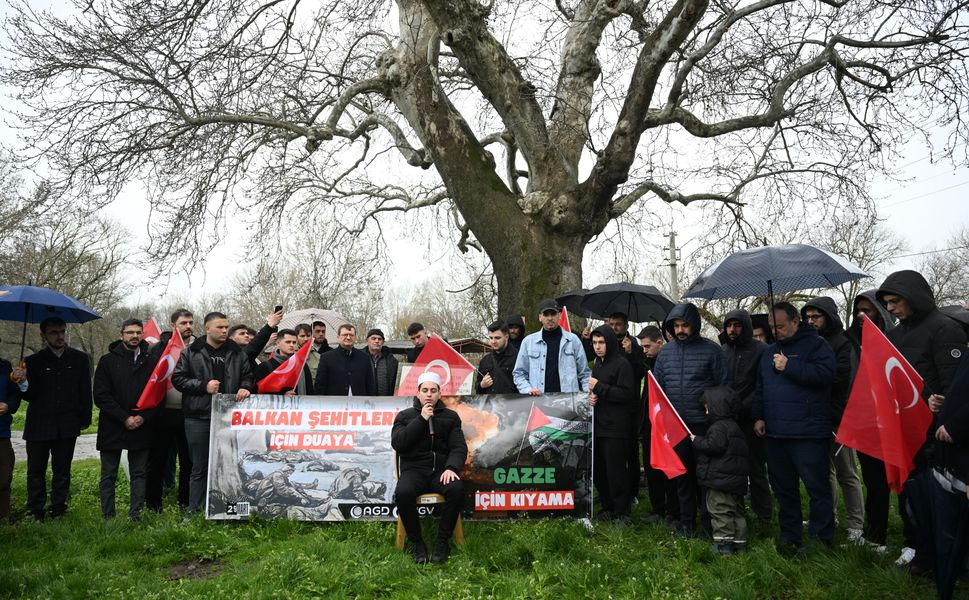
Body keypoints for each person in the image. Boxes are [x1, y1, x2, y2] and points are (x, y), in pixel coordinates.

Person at [876, 270, 967, 568]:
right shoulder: (894, 335)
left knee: (938, 496)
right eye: (886, 303)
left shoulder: (945, 329)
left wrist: (941, 404)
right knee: (909, 492)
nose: (889, 308)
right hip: (904, 427)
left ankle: (943, 552)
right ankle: (915, 545)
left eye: (894, 301)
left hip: (937, 433)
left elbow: (956, 385)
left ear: (913, 297)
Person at [753, 302, 836, 553]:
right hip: (776, 433)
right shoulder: (769, 352)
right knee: (783, 488)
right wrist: (759, 416)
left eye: (780, 326)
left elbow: (826, 375)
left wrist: (790, 366)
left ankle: (820, 539)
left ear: (795, 322)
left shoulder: (817, 345)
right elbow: (761, 387)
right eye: (771, 327)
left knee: (816, 488)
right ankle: (790, 535)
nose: (775, 331)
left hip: (808, 431)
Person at [652, 302, 728, 536]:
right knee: (682, 476)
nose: (680, 330)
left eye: (684, 325)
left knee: (705, 477)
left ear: (694, 325)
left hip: (704, 426)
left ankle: (708, 523)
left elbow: (723, 387)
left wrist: (711, 412)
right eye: (676, 325)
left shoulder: (713, 351)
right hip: (676, 426)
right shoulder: (665, 352)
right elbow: (659, 389)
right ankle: (686, 523)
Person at [173, 311, 254, 514]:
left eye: (226, 327)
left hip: (228, 417)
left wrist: (245, 387)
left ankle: (230, 509)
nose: (225, 330)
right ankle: (195, 511)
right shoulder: (191, 352)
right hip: (198, 416)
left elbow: (247, 376)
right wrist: (203, 386)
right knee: (199, 466)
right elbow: (178, 379)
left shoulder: (237, 353)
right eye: (220, 327)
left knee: (229, 464)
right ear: (207, 328)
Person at [801, 297, 864, 542]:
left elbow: (842, 378)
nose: (811, 321)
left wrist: (808, 375)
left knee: (847, 472)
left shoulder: (844, 342)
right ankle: (830, 515)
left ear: (828, 316)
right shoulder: (809, 343)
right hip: (815, 416)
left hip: (840, 417)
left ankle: (856, 524)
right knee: (824, 471)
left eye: (816, 316)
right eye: (807, 317)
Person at [20, 317, 93, 520]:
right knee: (36, 470)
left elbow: (85, 391)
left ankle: (58, 508)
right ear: (43, 335)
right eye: (54, 332)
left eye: (62, 331)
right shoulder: (32, 362)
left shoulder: (79, 359)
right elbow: (29, 395)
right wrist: (23, 382)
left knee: (62, 470)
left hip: (67, 423)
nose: (59, 336)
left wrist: (85, 417)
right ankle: (35, 509)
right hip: (39, 424)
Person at [391, 372, 467, 564]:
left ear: (439, 394)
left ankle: (442, 541)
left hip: (441, 472)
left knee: (456, 489)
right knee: (403, 492)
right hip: (414, 471)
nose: (429, 394)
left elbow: (458, 447)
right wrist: (422, 420)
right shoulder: (405, 416)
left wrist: (451, 468)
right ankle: (417, 542)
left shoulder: (451, 417)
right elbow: (399, 444)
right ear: (418, 393)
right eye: (424, 390)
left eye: (433, 390)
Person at [845, 289, 897, 550]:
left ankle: (913, 540)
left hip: (892, 422)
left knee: (899, 483)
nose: (861, 316)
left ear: (882, 313)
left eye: (869, 310)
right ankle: (874, 535)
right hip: (865, 422)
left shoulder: (895, 342)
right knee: (873, 481)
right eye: (858, 311)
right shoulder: (854, 342)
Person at [93, 318, 159, 520]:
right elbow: (101, 396)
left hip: (141, 424)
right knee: (108, 475)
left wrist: (142, 417)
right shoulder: (107, 361)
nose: (135, 336)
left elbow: (157, 394)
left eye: (138, 332)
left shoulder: (150, 361)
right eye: (130, 332)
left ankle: (136, 514)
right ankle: (108, 516)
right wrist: (124, 418)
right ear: (121, 335)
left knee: (139, 474)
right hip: (113, 425)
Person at [719, 309, 771, 526]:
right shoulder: (722, 351)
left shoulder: (761, 351)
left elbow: (763, 385)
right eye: (729, 325)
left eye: (737, 325)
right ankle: (736, 514)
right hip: (727, 420)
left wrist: (747, 408)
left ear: (746, 326)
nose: (732, 329)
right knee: (732, 469)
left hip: (751, 419)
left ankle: (764, 517)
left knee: (756, 469)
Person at [587, 324, 638, 524]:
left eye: (601, 342)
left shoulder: (622, 364)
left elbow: (627, 394)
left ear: (609, 342)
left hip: (616, 427)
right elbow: (600, 392)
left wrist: (600, 387)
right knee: (600, 471)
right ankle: (608, 507)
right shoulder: (597, 364)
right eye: (594, 343)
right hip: (599, 425)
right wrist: (592, 397)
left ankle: (622, 513)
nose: (597, 346)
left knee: (616, 471)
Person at [145, 308, 195, 512]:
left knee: (188, 463)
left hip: (189, 413)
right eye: (184, 323)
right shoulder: (159, 349)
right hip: (163, 414)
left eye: (191, 322)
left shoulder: (198, 348)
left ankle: (186, 503)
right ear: (173, 325)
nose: (188, 327)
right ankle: (153, 504)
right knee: (157, 461)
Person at [692, 386, 749, 555]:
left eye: (707, 407)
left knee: (720, 511)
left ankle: (723, 546)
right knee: (737, 512)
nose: (706, 411)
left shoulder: (718, 427)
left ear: (717, 406)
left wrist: (697, 441)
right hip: (735, 481)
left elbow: (714, 446)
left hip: (720, 481)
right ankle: (740, 543)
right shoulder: (734, 426)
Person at [513, 299, 590, 395]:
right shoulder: (528, 342)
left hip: (567, 402)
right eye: (546, 314)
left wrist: (588, 394)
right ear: (540, 317)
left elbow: (585, 374)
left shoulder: (573, 340)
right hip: (538, 401)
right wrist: (528, 390)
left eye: (553, 314)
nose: (550, 318)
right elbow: (519, 374)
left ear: (559, 315)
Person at [636, 325, 672, 524]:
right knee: (651, 467)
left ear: (660, 343)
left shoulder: (667, 362)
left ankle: (669, 509)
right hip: (648, 422)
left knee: (664, 468)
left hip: (664, 424)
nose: (645, 350)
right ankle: (658, 508)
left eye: (648, 346)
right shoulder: (646, 361)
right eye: (642, 347)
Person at [0, 348, 27, 523]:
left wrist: (8, 406)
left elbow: (14, 395)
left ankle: (3, 516)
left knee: (4, 474)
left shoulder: (5, 366)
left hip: (1, 431)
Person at [314, 324, 375, 396]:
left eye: (351, 335)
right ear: (338, 337)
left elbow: (370, 385)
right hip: (334, 404)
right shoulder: (326, 357)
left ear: (355, 338)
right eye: (345, 335)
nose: (348, 337)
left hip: (359, 403)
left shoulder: (365, 358)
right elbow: (320, 385)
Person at [253, 329, 314, 395]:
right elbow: (258, 391)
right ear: (278, 343)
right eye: (288, 342)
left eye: (294, 342)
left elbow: (310, 390)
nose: (291, 345)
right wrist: (282, 396)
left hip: (302, 404)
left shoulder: (302, 365)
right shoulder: (265, 366)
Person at [476, 321, 519, 394]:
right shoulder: (485, 360)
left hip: (512, 403)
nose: (493, 341)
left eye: (497, 338)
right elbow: (477, 387)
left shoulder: (518, 357)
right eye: (491, 338)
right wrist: (481, 385)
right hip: (490, 403)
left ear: (506, 337)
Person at [365, 328, 399, 396]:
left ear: (383, 342)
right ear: (367, 341)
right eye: (373, 338)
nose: (377, 341)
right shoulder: (360, 358)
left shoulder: (391, 360)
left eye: (379, 339)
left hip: (386, 401)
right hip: (364, 401)